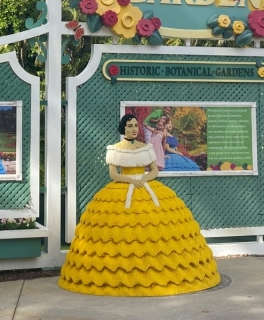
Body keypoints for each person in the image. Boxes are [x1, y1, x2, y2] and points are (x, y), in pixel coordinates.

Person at [59, 114, 221, 296]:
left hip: (146, 186)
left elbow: (153, 170)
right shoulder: (116, 149)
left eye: (135, 125)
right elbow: (113, 174)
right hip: (122, 188)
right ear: (123, 128)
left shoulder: (146, 148)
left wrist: (143, 179)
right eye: (129, 125)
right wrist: (130, 180)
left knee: (158, 227)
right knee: (117, 230)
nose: (133, 128)